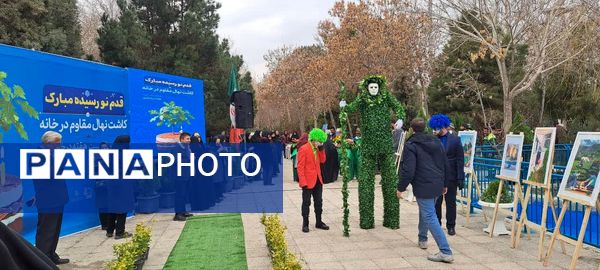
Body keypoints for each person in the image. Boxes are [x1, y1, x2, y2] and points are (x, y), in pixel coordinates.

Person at [397, 118, 454, 263]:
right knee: (427, 211)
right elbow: (445, 163)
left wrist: (400, 188)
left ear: (412, 129)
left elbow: (409, 170)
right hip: (437, 183)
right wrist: (445, 183)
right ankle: (423, 238)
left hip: (424, 185)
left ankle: (445, 251)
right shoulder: (436, 141)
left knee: (429, 215)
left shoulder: (411, 144)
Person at [33, 131, 69, 265]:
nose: (60, 147)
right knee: (46, 230)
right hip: (48, 200)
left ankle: (51, 254)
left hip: (58, 198)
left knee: (55, 229)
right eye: (57, 144)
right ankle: (42, 259)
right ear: (48, 144)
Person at [429, 114, 465, 236]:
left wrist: (460, 177)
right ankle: (437, 224)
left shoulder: (455, 140)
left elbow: (460, 160)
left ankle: (451, 226)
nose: (435, 130)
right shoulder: (433, 139)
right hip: (436, 176)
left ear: (443, 127)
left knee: (451, 202)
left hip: (451, 176)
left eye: (437, 128)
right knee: (437, 202)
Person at [297, 128, 329, 232]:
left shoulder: (319, 148)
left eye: (321, 142)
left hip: (318, 180)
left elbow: (323, 160)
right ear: (314, 139)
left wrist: (321, 149)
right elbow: (300, 167)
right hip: (307, 181)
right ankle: (305, 223)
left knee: (319, 202)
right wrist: (302, 182)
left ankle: (319, 222)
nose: (320, 143)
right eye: (319, 141)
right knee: (306, 202)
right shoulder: (304, 148)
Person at [105, 135, 135, 239]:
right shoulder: (124, 155)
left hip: (111, 184)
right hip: (122, 184)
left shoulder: (111, 153)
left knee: (113, 207)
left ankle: (109, 230)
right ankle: (120, 232)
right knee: (123, 207)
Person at [172, 132, 194, 221]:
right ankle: (178, 214)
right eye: (187, 139)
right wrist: (189, 159)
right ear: (181, 139)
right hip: (179, 176)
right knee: (179, 194)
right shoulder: (176, 148)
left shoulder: (187, 148)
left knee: (184, 194)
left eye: (189, 139)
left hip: (186, 174)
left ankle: (183, 211)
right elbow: (176, 161)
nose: (189, 141)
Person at [96, 142, 110, 231]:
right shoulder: (96, 160)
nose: (105, 150)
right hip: (100, 186)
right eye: (103, 148)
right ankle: (104, 224)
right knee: (102, 206)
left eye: (106, 148)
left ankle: (110, 223)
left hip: (110, 186)